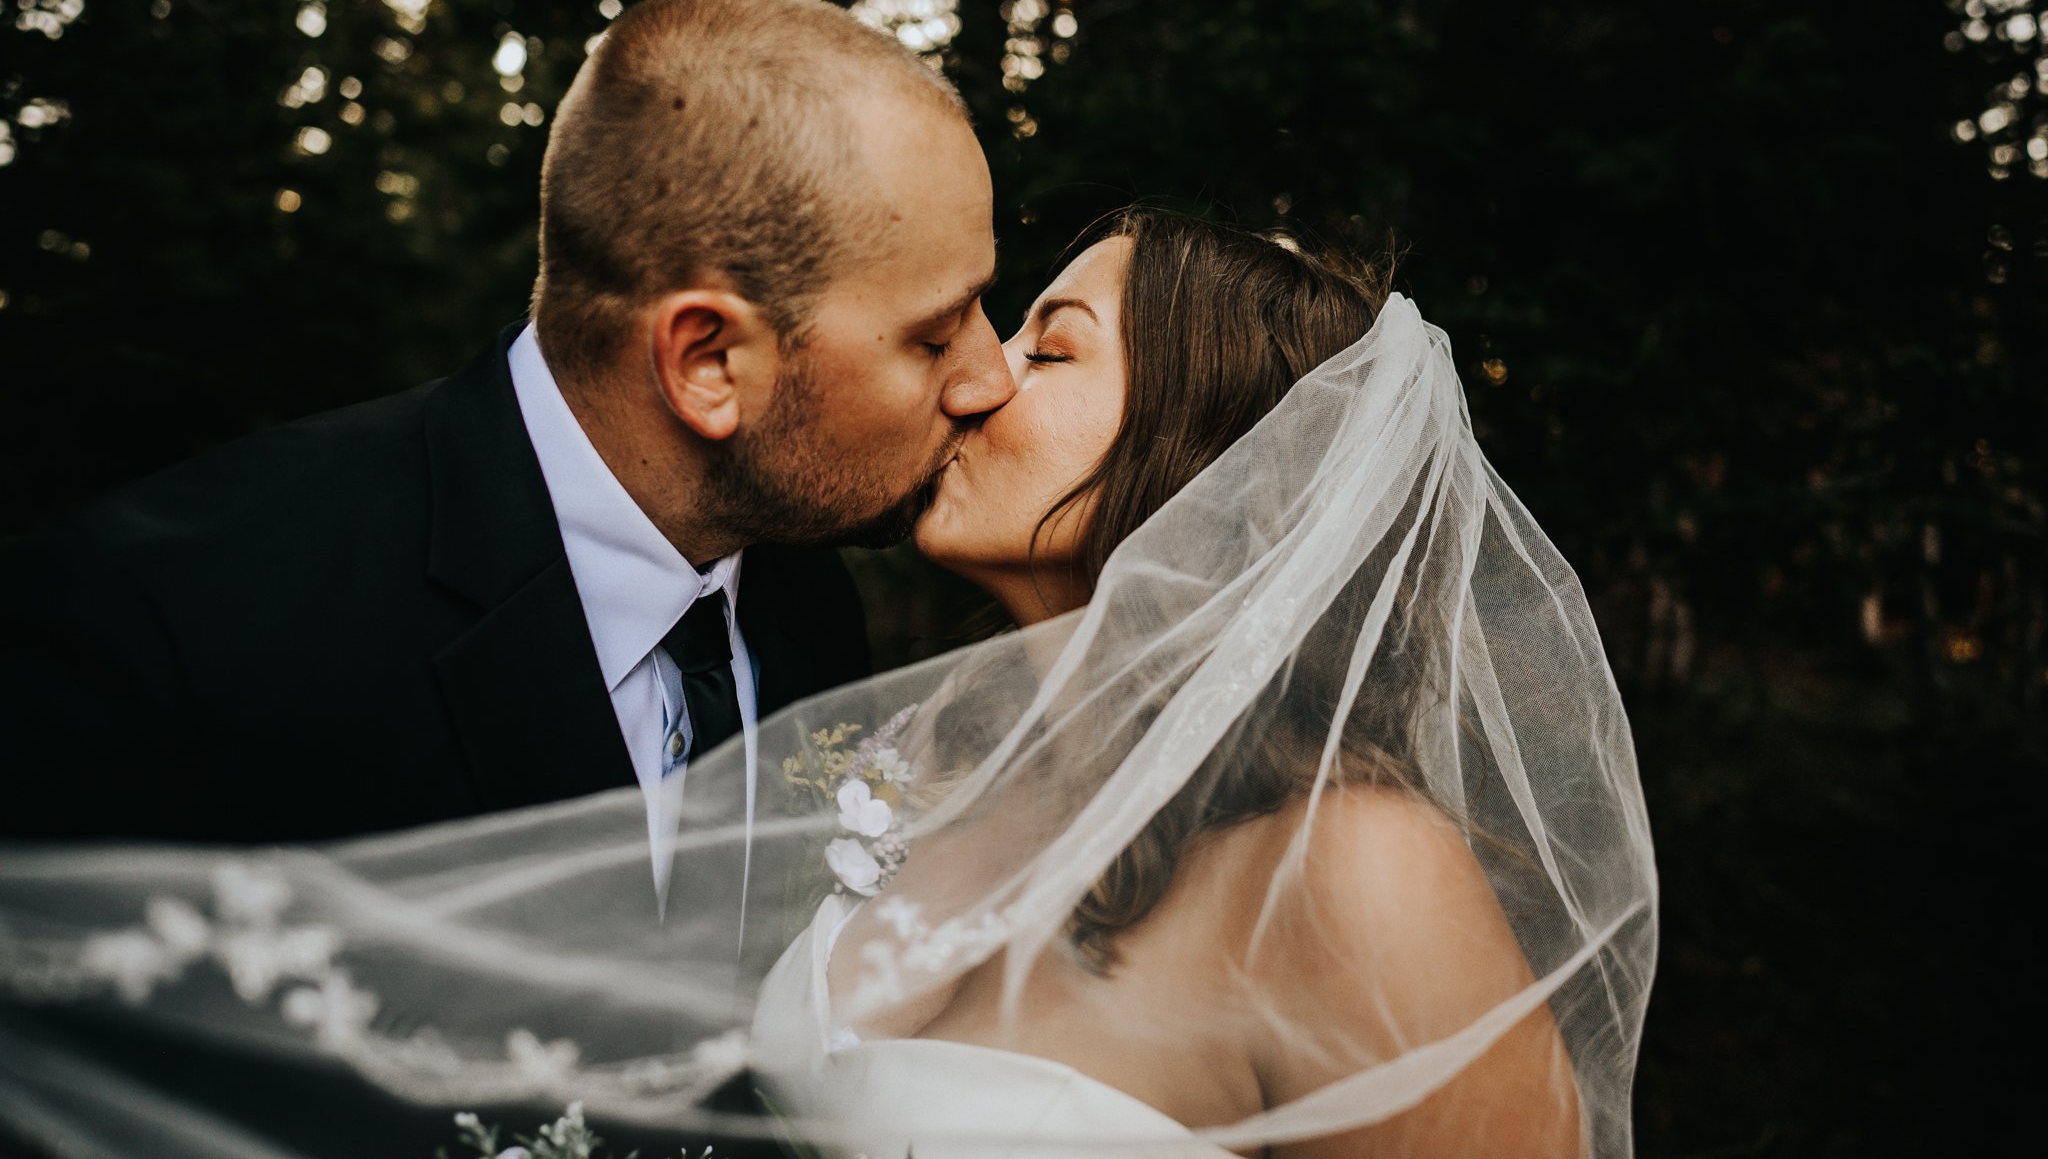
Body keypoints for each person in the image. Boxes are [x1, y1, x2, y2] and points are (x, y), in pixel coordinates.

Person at [0, 210, 1655, 1159]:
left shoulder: (1351, 863)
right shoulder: (913, 748)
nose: (980, 371)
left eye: (1055, 345)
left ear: (1209, 462)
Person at [0, 0, 1015, 865]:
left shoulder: (807, 600)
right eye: (933, 336)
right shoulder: (168, 636)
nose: (988, 375)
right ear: (707, 362)